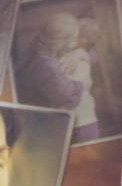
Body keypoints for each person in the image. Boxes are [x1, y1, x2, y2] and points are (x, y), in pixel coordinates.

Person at [15, 11, 101, 143]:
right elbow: (67, 96)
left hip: (74, 118)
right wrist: (84, 84)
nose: (77, 43)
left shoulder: (52, 49)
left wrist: (81, 54)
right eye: (75, 38)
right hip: (64, 121)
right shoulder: (47, 66)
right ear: (61, 41)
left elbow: (94, 55)